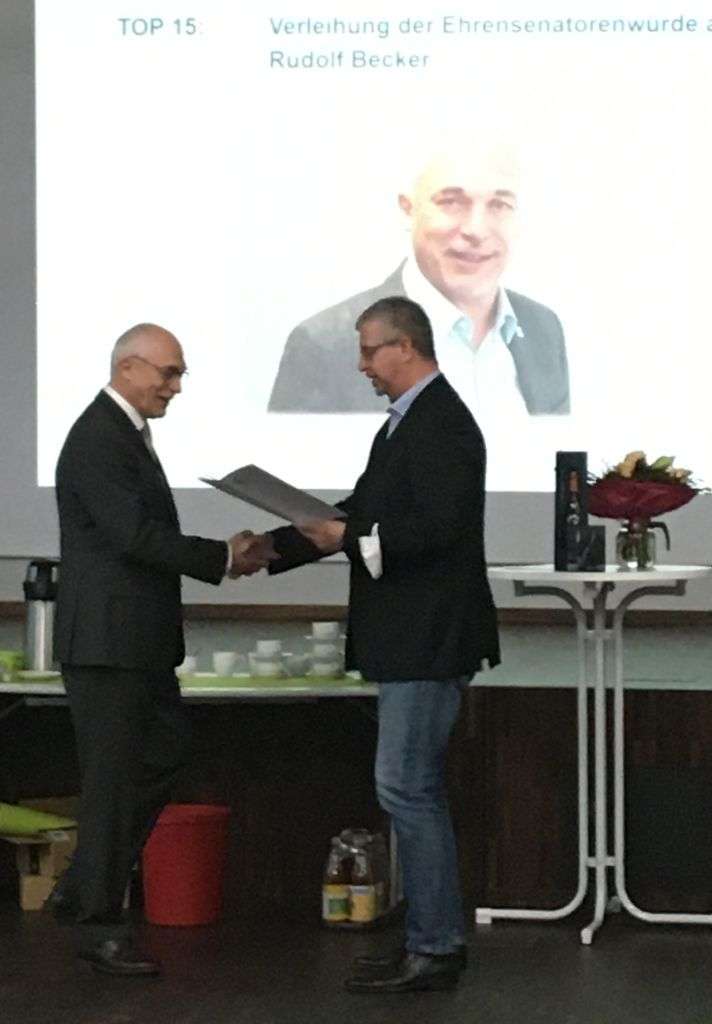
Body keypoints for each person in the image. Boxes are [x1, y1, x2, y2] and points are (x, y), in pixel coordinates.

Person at [264, 297, 500, 993]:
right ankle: (428, 940)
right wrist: (274, 548)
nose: (362, 366)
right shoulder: (406, 424)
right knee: (409, 789)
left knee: (408, 789)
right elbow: (360, 516)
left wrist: (348, 537)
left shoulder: (442, 424)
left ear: (407, 347)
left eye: (370, 351)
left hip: (429, 640)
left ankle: (435, 947)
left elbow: (433, 532)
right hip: (412, 639)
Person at [49, 323, 271, 976]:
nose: (175, 387)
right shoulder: (98, 436)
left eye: (179, 375)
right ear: (127, 367)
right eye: (167, 373)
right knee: (113, 784)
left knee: (164, 753)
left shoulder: (124, 434)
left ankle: (83, 885)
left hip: (135, 643)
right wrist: (221, 557)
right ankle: (99, 924)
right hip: (108, 645)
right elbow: (134, 536)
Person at [268, 142, 569, 419]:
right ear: (408, 210)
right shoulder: (326, 346)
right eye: (452, 202)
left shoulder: (544, 329)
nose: (476, 229)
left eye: (499, 205)